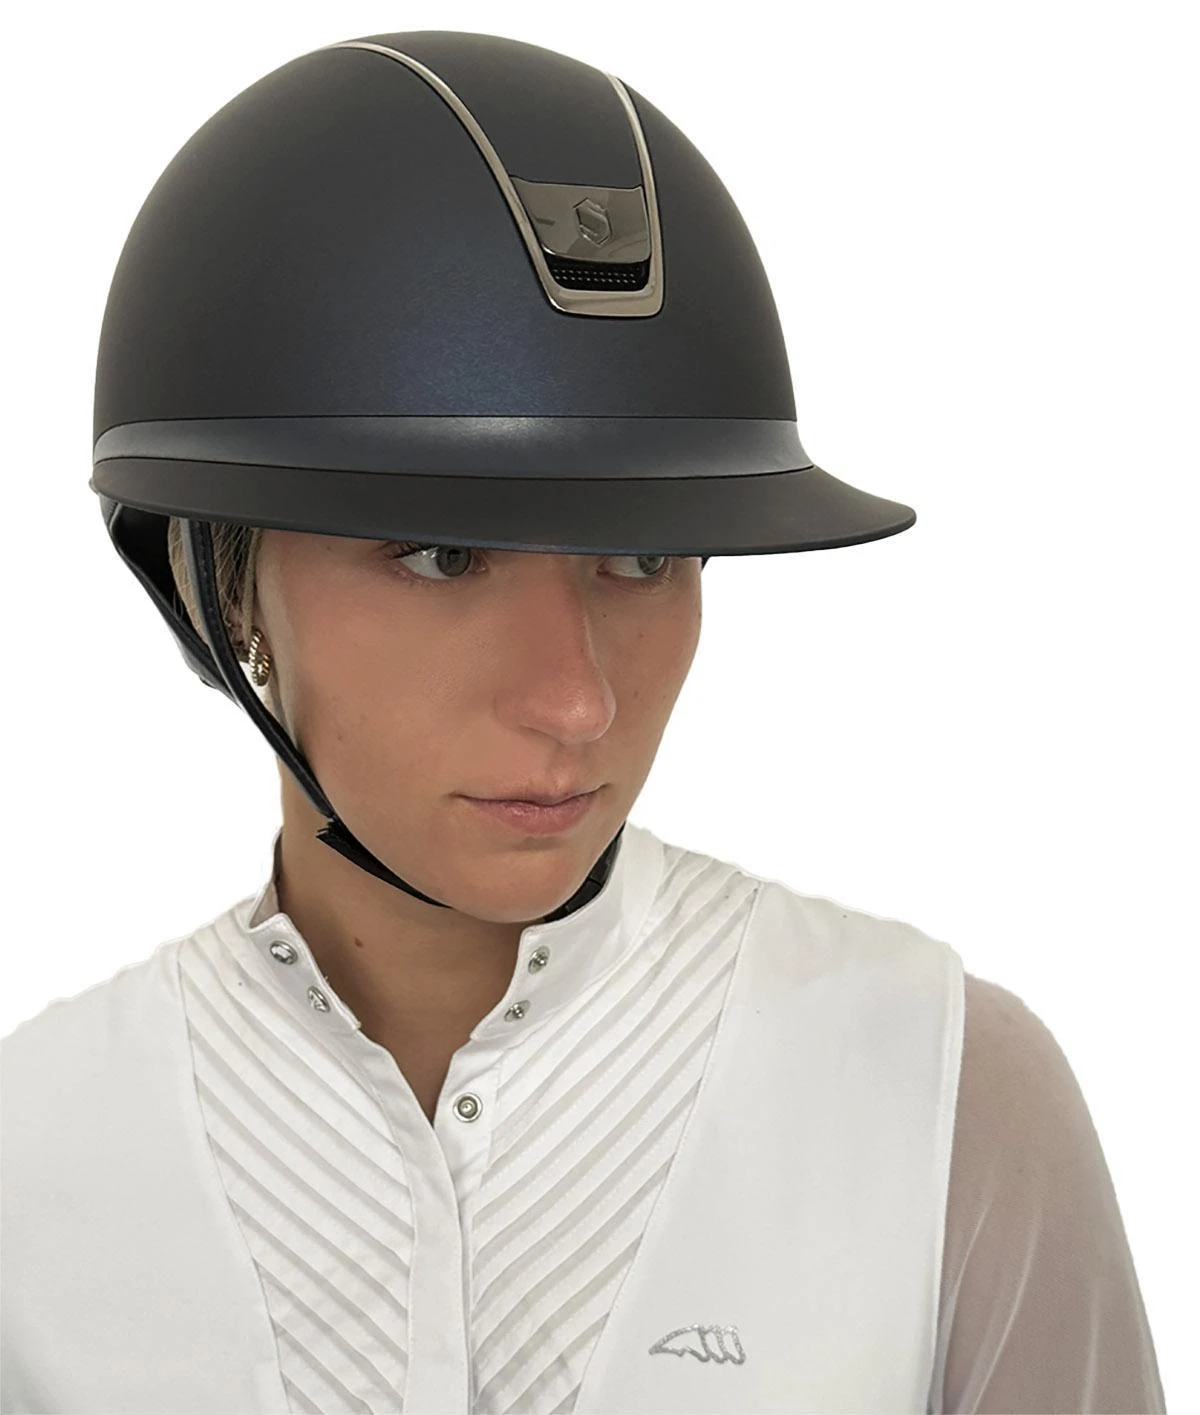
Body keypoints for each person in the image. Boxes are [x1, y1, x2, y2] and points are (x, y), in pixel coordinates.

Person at [0, 29, 1165, 1415]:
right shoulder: (31, 1167)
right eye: (443, 557)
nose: (577, 698)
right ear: (215, 579)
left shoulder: (944, 1098)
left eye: (644, 558)